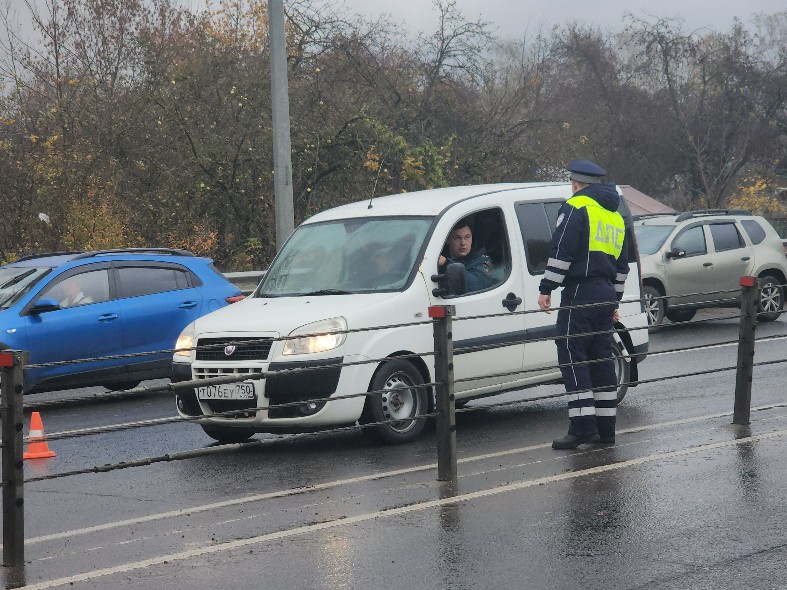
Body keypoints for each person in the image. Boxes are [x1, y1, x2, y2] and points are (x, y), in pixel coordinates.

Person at [537, 159, 629, 450]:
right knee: (602, 360)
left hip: (580, 292)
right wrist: (615, 301)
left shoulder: (576, 206)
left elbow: (562, 251)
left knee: (572, 354)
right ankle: (605, 429)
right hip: (606, 294)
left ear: (576, 183)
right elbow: (623, 267)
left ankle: (581, 428)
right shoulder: (615, 215)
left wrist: (546, 288)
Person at [438, 218, 495, 293]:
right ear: (448, 240)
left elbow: (477, 285)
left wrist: (446, 263)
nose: (463, 243)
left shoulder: (482, 260)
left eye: (467, 237)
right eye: (457, 238)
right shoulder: (436, 257)